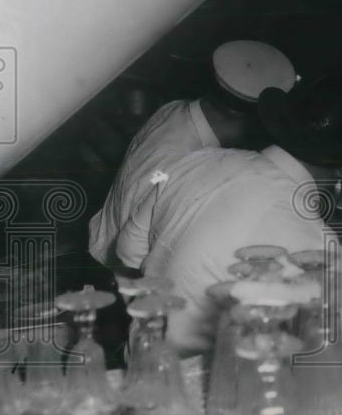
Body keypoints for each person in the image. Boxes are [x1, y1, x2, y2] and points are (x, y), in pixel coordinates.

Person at [130, 82, 342, 355]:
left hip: (142, 357)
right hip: (212, 381)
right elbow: (336, 351)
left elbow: (129, 251)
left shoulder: (194, 160)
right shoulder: (314, 241)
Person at [88, 40, 297, 269]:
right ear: (249, 119)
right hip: (117, 273)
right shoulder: (180, 163)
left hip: (107, 246)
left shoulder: (175, 109)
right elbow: (139, 253)